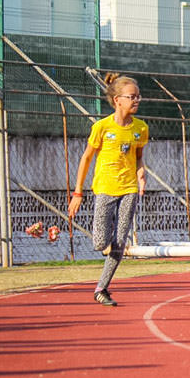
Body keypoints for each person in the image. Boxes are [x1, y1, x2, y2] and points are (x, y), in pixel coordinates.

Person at [67, 73, 149, 307]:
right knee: (101, 243)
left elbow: (139, 157)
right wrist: (78, 192)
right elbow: (86, 158)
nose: (136, 101)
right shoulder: (101, 127)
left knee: (120, 241)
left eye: (138, 97)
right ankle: (106, 259)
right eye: (131, 97)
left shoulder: (141, 128)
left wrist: (141, 173)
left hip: (129, 189)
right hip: (104, 188)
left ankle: (101, 288)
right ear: (117, 100)